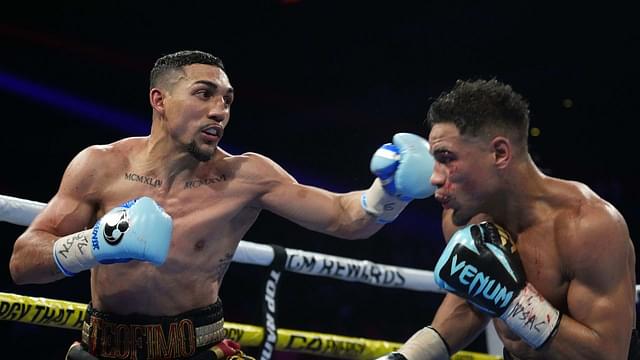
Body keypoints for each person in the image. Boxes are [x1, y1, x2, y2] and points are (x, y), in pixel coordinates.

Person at [8, 50, 436, 360]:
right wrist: (98, 243)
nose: (219, 111)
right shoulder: (99, 165)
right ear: (160, 100)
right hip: (101, 349)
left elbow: (347, 219)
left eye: (227, 100)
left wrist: (390, 192)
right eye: (204, 94)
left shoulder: (245, 176)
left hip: (198, 349)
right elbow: (22, 263)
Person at [379, 78, 638, 359]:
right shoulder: (463, 219)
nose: (435, 177)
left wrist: (513, 301)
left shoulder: (587, 227)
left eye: (447, 158)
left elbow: (610, 354)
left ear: (500, 153)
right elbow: (473, 303)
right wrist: (408, 356)